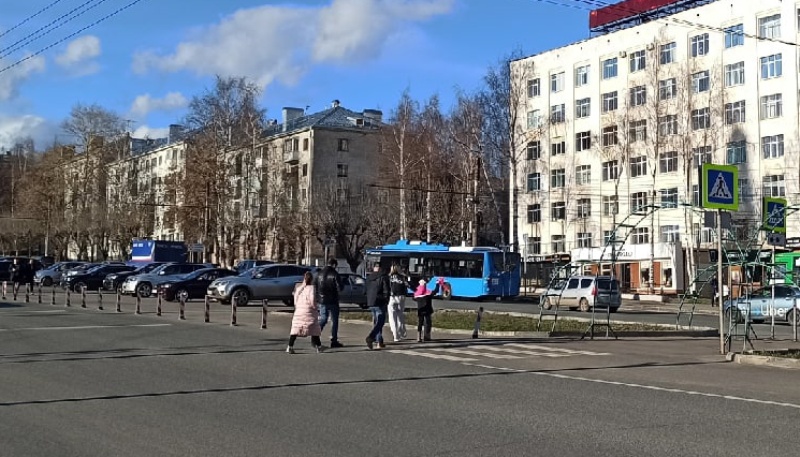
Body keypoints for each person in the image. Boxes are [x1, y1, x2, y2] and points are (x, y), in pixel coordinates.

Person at [287, 271, 324, 354]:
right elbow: (312, 300)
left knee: (295, 329)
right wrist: (315, 307)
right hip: (309, 311)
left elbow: (295, 300)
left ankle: (290, 346)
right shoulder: (311, 288)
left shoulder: (299, 288)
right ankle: (319, 346)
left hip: (299, 311)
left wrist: (298, 307)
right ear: (312, 279)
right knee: (314, 329)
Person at [315, 258, 345, 348]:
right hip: (333, 300)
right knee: (334, 320)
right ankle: (334, 340)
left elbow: (314, 285)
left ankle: (315, 335)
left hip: (322, 300)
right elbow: (340, 288)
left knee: (323, 318)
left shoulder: (319, 274)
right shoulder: (335, 274)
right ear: (334, 265)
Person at [365, 264, 390, 350]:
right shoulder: (383, 277)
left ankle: (379, 340)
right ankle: (371, 337)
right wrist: (386, 300)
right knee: (380, 322)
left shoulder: (369, 278)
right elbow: (386, 290)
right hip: (380, 301)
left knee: (376, 321)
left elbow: (365, 290)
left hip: (371, 302)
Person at [414, 277, 444, 342]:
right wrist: (437, 283)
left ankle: (418, 337)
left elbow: (414, 298)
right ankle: (426, 336)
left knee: (420, 323)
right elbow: (436, 290)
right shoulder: (428, 293)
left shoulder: (416, 295)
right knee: (428, 323)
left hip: (420, 311)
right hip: (428, 310)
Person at [387, 264, 411, 342]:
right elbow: (408, 285)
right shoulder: (403, 277)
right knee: (400, 315)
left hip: (392, 297)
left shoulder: (388, 277)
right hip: (401, 297)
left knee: (392, 317)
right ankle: (402, 333)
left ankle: (395, 336)